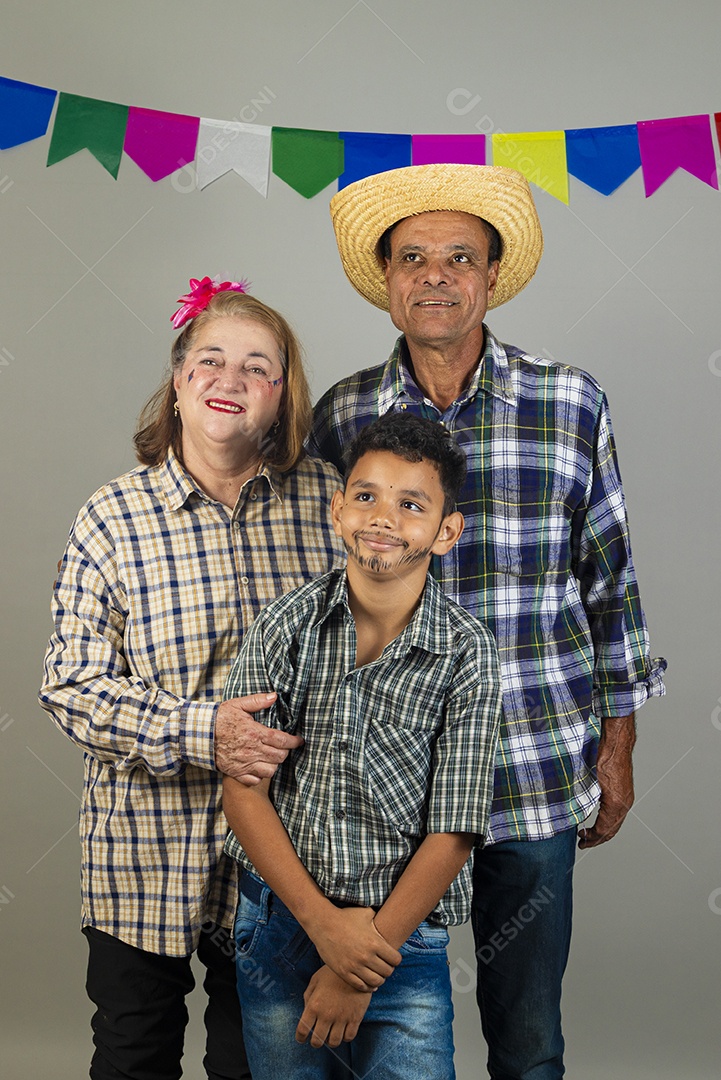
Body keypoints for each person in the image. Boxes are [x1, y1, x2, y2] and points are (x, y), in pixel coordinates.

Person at [309, 164, 668, 1079]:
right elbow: (313, 589)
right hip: (384, 777)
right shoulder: (344, 413)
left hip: (531, 762)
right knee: (379, 1019)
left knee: (528, 1033)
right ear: (387, 282)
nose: (435, 274)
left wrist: (616, 748)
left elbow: (609, 583)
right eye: (414, 258)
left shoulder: (568, 403)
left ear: (489, 278)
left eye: (458, 257)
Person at [39, 276, 345, 1080]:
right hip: (145, 854)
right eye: (209, 360)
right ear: (178, 383)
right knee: (134, 1056)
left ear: (283, 398)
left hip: (287, 857)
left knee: (261, 1063)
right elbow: (70, 684)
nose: (229, 380)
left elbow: (373, 645)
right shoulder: (112, 516)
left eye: (257, 367)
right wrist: (205, 730)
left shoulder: (329, 504)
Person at [222, 412, 503, 1080]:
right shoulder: (285, 626)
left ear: (445, 532)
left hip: (402, 941)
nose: (383, 517)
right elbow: (243, 788)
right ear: (337, 509)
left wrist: (361, 963)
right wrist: (322, 926)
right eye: (367, 495)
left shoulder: (467, 653)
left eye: (411, 505)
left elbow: (455, 827)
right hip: (283, 925)